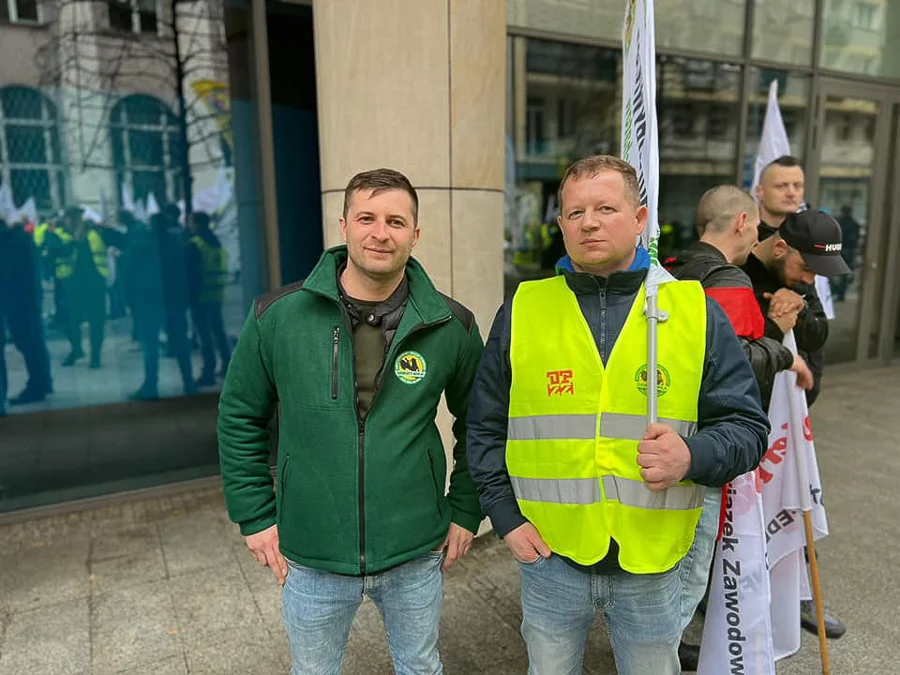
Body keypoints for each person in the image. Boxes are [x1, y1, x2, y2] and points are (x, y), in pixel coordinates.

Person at [466, 155, 769, 675]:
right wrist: (506, 518)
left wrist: (692, 455)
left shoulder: (694, 310)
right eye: (574, 212)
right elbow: (485, 426)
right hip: (549, 554)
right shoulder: (523, 309)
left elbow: (748, 429)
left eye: (605, 208)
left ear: (640, 218)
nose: (588, 222)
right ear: (561, 225)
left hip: (652, 560)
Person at [218, 168, 485, 674]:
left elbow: (482, 424)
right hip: (313, 549)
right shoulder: (277, 316)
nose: (380, 232)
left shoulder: (451, 324)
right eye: (366, 217)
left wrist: (466, 509)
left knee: (421, 667)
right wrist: (254, 516)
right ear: (343, 225)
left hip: (415, 548)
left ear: (415, 234)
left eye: (395, 221)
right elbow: (239, 417)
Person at [665, 185, 814, 670]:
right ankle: (661, 648)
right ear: (743, 223)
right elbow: (732, 362)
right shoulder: (726, 279)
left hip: (671, 433)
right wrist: (787, 354)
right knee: (688, 573)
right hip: (708, 441)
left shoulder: (669, 267)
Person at [741, 208, 850, 640]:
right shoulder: (738, 268)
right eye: (805, 269)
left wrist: (801, 310)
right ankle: (731, 597)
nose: (809, 279)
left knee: (795, 500)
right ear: (781, 246)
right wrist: (772, 321)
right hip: (746, 421)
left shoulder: (803, 277)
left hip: (790, 418)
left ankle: (802, 594)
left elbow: (819, 333)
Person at [130, 213, 196, 400]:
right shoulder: (178, 247)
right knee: (181, 343)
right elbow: (187, 275)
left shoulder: (140, 248)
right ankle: (188, 382)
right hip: (174, 302)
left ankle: (151, 385)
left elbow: (131, 278)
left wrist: (133, 303)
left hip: (149, 304)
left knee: (150, 346)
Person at [0, 217, 54, 406]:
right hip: (27, 296)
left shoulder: (8, 240)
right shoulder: (21, 237)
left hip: (18, 298)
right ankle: (43, 382)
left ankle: (38, 385)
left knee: (27, 341)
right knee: (34, 340)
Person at [186, 211, 231, 387]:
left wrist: (190, 297)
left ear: (196, 224)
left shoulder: (195, 244)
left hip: (201, 296)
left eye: (191, 222)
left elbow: (192, 275)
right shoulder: (216, 242)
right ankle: (228, 365)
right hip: (216, 294)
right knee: (218, 332)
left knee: (204, 336)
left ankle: (208, 372)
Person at [832, 205, 861, 302]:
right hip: (846, 251)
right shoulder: (854, 224)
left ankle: (836, 291)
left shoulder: (839, 222)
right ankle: (839, 293)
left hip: (839, 250)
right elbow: (855, 240)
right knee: (843, 274)